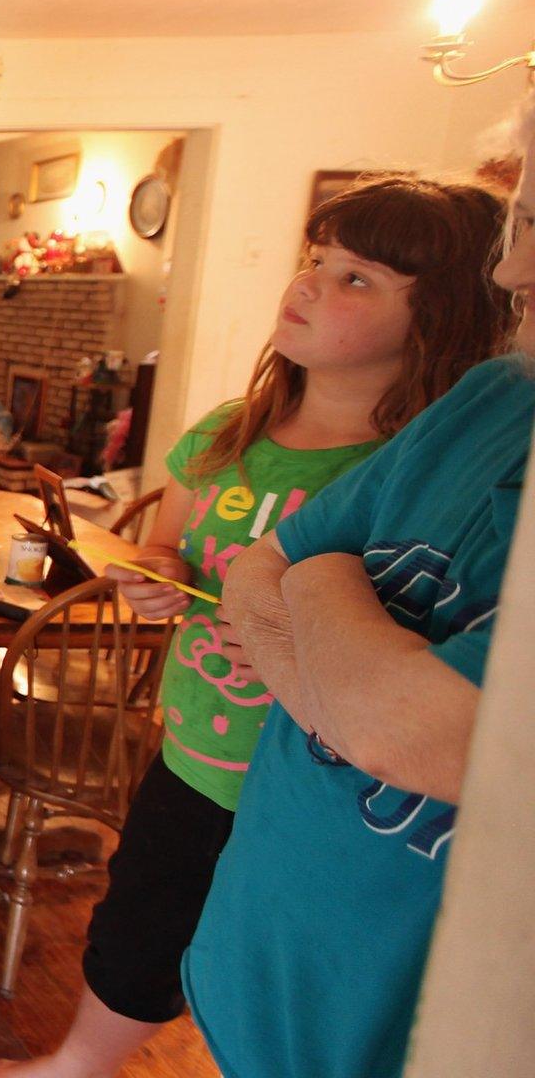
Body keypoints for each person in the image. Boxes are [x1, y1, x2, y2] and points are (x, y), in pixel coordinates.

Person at [0, 174, 520, 1078]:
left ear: (438, 322)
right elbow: (163, 550)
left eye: (357, 279)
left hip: (319, 797)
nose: (306, 286)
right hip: (193, 753)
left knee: (279, 975)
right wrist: (156, 581)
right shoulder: (229, 433)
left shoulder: (413, 468)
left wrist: (287, 637)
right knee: (140, 923)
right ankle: (77, 1063)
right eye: (316, 262)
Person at [186, 95, 535, 1078]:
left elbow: (403, 727)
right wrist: (339, 665)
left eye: (534, 227)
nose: (512, 267)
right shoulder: (494, 396)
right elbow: (262, 564)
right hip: (256, 973)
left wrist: (319, 584)